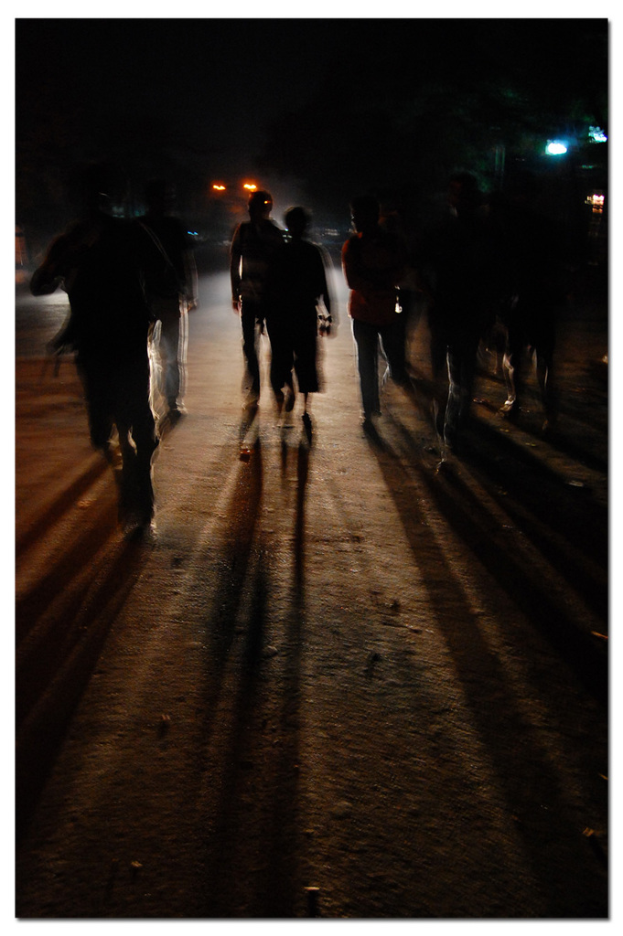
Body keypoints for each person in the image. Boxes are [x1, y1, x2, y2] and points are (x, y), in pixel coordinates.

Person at [30, 163, 159, 535]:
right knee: (113, 424)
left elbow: (161, 271)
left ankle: (136, 478)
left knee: (131, 419)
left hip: (117, 341)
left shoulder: (123, 234)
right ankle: (133, 472)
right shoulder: (77, 240)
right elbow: (40, 284)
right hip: (101, 342)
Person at [421, 172, 500, 454]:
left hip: (461, 314)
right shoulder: (452, 230)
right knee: (456, 377)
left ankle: (449, 428)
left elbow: (493, 276)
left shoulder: (471, 231)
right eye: (457, 193)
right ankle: (450, 427)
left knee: (457, 377)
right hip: (454, 314)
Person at [491, 173, 568, 431]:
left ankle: (517, 403)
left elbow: (501, 267)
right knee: (538, 358)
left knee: (520, 357)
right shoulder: (543, 225)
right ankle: (545, 413)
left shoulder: (508, 226)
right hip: (534, 299)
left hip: (523, 299)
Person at [265, 206, 333, 440]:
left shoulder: (279, 252)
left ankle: (292, 395)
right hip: (302, 313)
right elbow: (323, 287)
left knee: (283, 360)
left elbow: (269, 286)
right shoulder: (312, 252)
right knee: (305, 362)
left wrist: (264, 316)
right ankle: (305, 408)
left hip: (281, 314)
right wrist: (328, 315)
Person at [342, 194, 408, 429]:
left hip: (383, 312)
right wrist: (383, 281)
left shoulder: (389, 243)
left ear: (373, 216)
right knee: (367, 364)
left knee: (388, 360)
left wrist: (372, 282)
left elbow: (399, 272)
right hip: (367, 313)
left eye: (358, 216)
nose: (355, 221)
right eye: (354, 217)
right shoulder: (354, 245)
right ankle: (369, 408)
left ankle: (374, 403)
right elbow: (353, 280)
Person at [139, 180, 197, 421]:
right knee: (171, 353)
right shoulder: (174, 226)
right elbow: (186, 261)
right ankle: (171, 401)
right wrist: (191, 293)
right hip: (165, 297)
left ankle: (154, 401)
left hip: (145, 298)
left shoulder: (139, 226)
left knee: (151, 354)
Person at [230, 190, 285, 406]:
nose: (251, 210)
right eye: (251, 206)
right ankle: (255, 383)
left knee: (276, 342)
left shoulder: (275, 233)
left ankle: (274, 381)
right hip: (249, 296)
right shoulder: (243, 230)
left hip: (270, 298)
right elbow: (234, 262)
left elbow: (280, 267)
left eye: (256, 206)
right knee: (248, 343)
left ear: (267, 208)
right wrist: (235, 292)